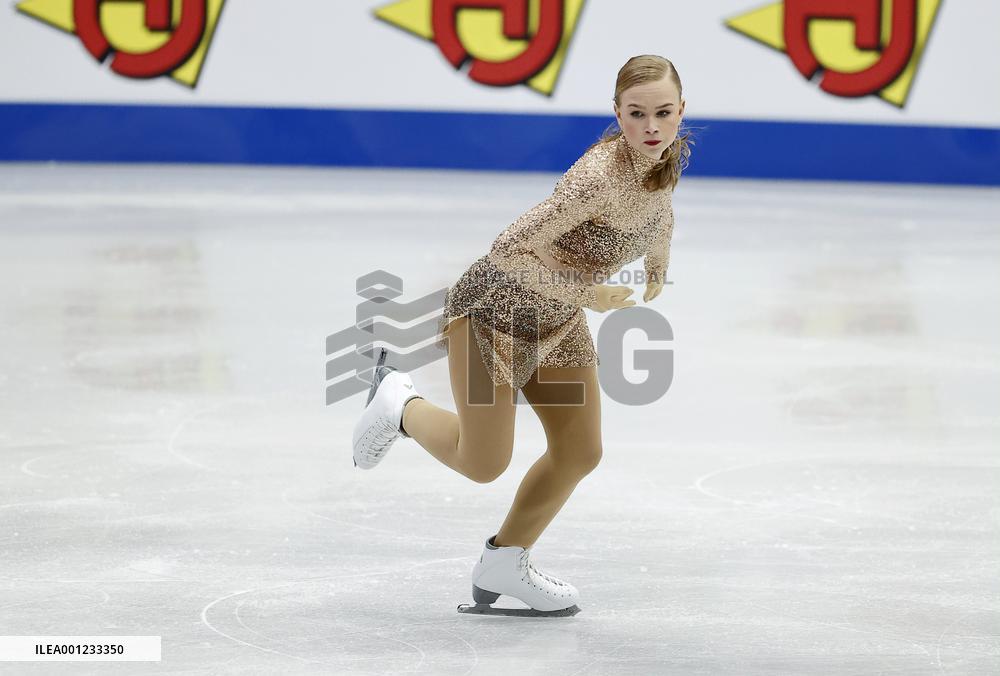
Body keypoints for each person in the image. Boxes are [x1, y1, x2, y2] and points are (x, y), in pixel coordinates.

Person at [352, 54, 691, 617]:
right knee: (483, 463)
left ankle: (505, 560)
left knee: (580, 452)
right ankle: (400, 404)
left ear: (681, 110)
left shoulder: (663, 158)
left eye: (663, 113)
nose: (651, 127)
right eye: (636, 114)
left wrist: (658, 260)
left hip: (556, 322)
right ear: (617, 113)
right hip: (493, 312)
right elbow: (509, 249)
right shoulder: (597, 178)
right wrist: (588, 293)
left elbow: (659, 210)